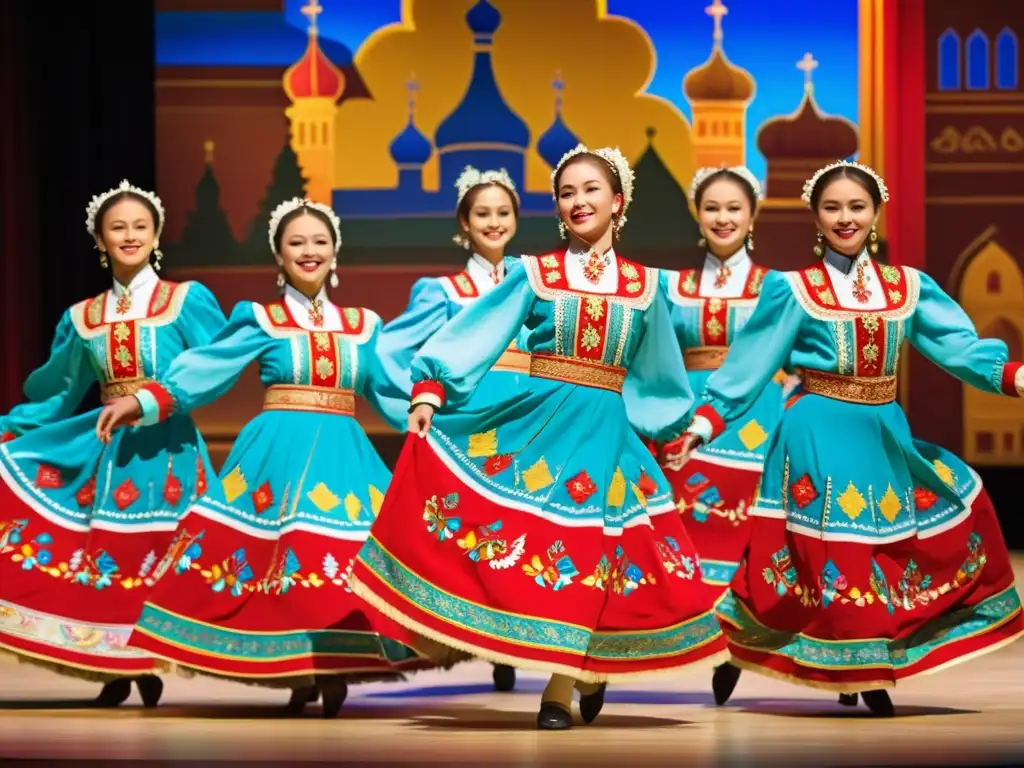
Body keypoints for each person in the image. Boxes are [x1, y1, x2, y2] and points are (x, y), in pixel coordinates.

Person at [350, 144, 727, 730]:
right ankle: (563, 675)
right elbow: (478, 332)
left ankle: (563, 684)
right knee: (547, 549)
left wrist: (674, 429)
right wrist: (429, 391)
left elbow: (659, 376)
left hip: (607, 432)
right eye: (566, 193)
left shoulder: (647, 286)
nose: (578, 201)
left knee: (597, 555)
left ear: (618, 201)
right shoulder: (535, 274)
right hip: (542, 423)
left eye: (590, 190)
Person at [677, 160, 1023, 716]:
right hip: (815, 426)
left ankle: (811, 652)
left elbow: (958, 346)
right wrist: (705, 423)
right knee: (837, 550)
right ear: (816, 217)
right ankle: (863, 673)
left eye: (857, 206)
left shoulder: (906, 287)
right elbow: (750, 364)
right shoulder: (794, 289)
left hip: (881, 427)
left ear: (876, 212)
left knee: (927, 519)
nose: (845, 218)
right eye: (832, 207)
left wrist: (1012, 376)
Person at [95, 198, 430, 717]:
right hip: (275, 452)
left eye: (319, 242)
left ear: (336, 253)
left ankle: (333, 663)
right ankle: (296, 665)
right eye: (295, 243)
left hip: (344, 454)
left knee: (342, 561)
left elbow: (389, 391)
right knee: (277, 560)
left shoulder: (364, 325)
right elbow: (205, 369)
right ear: (278, 256)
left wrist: (433, 422)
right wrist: (143, 401)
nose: (309, 251)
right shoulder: (259, 318)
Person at [0, 180, 226, 707]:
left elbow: (215, 365)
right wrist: (13, 428)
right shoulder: (83, 317)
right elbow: (58, 394)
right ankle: (118, 666)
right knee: (110, 559)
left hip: (168, 447)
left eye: (140, 227)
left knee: (158, 554)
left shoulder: (186, 300)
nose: (130, 236)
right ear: (100, 240)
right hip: (107, 450)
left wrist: (156, 399)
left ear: (157, 235)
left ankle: (152, 657)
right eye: (117, 228)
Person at [376, 165, 530, 692]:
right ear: (463, 224)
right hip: (468, 421)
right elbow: (391, 350)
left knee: (523, 528)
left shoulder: (532, 279)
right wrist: (422, 400)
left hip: (527, 419)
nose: (493, 222)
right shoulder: (442, 290)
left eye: (503, 213)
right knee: (474, 532)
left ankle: (512, 634)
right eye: (482, 214)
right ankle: (479, 634)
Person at [659, 167, 785, 595]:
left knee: (747, 527)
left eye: (734, 208)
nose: (722, 217)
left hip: (758, 417)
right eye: (711, 208)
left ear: (752, 215)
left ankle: (735, 646)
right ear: (698, 215)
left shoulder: (777, 288)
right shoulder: (672, 286)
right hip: (687, 415)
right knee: (681, 526)